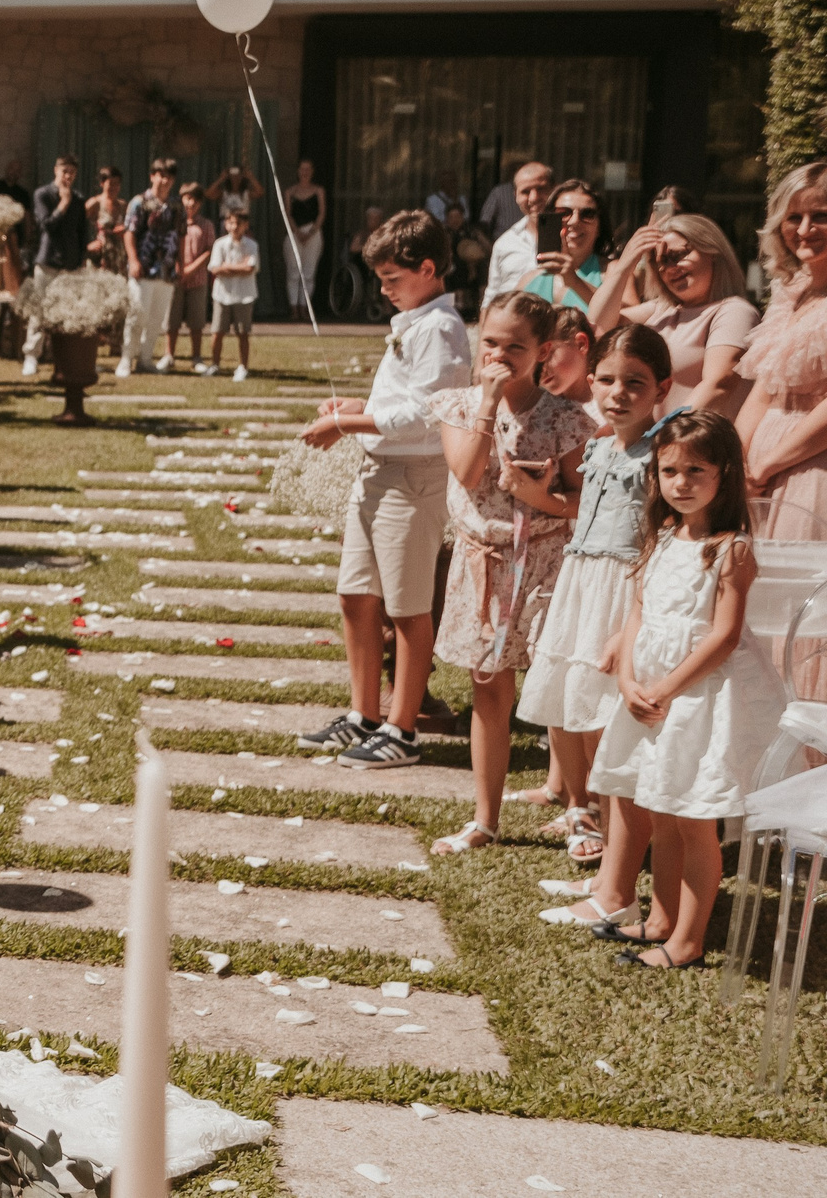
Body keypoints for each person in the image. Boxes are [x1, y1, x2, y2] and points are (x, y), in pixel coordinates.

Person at [584, 412, 789, 967]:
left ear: (724, 473)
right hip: (648, 695)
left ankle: (688, 943)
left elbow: (723, 636)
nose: (680, 482)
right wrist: (628, 679)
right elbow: (637, 618)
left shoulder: (730, 550)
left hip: (696, 700)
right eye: (669, 470)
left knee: (694, 818)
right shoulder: (661, 540)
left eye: (695, 469)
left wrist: (667, 689)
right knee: (661, 807)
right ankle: (660, 919)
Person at [296, 211, 473, 770]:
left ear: (428, 269)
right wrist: (354, 407)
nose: (383, 289)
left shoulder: (442, 329)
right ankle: (363, 714)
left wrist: (347, 425)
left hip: (413, 479)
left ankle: (403, 726)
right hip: (378, 476)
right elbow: (401, 400)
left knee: (407, 607)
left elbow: (430, 412)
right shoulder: (413, 322)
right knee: (355, 595)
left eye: (392, 279)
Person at [424, 292, 594, 856]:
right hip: (483, 565)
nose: (498, 355)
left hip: (546, 560)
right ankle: (485, 818)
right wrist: (487, 402)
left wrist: (537, 496)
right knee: (488, 689)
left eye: (514, 347)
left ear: (543, 351)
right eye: (490, 342)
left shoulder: (566, 418)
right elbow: (470, 470)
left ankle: (579, 808)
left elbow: (581, 503)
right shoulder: (457, 404)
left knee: (555, 686)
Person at [523, 325, 671, 902]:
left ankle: (621, 866)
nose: (618, 392)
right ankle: (599, 844)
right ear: (590, 382)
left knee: (614, 730)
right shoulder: (600, 447)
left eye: (635, 382)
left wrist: (627, 626)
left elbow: (656, 541)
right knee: (575, 710)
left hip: (623, 592)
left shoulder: (661, 454)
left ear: (660, 387)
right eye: (607, 380)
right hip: (581, 584)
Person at [588, 212, 758, 420]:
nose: (671, 268)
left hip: (694, 443)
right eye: (662, 261)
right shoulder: (660, 311)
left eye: (679, 255)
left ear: (712, 252)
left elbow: (719, 384)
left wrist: (664, 432)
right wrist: (625, 265)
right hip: (652, 445)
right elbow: (597, 325)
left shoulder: (734, 311)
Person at [735, 160, 827, 537]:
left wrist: (765, 467)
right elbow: (763, 391)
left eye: (820, 215)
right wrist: (735, 462)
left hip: (812, 469)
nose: (805, 230)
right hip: (756, 477)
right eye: (794, 218)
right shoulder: (788, 295)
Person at [22, 153, 90, 377]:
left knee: (66, 314)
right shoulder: (43, 194)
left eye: (72, 172)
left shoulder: (79, 200)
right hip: (47, 261)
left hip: (69, 264)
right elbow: (46, 226)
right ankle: (32, 356)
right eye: (64, 171)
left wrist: (81, 259)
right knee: (40, 311)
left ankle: (61, 358)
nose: (68, 176)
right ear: (56, 171)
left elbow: (82, 233)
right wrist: (63, 203)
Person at [118, 158, 182, 375]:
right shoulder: (139, 202)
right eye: (161, 175)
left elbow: (178, 236)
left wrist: (179, 263)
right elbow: (129, 233)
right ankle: (126, 359)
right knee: (137, 315)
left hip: (167, 271)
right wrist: (134, 260)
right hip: (144, 268)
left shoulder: (175, 205)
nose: (165, 181)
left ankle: (145, 360)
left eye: (169, 177)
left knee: (156, 319)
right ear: (152, 176)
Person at [523, 178, 605, 309]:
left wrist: (574, 281)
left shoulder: (614, 273)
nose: (574, 221)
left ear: (600, 226)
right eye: (564, 213)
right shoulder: (529, 280)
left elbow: (627, 321)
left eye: (587, 214)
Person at [484, 160, 555, 302]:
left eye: (540, 189)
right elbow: (491, 296)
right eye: (525, 192)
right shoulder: (505, 243)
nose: (534, 198)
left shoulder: (572, 237)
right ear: (515, 195)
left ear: (554, 189)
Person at [208, 209, 260, 381]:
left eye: (239, 223)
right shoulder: (219, 244)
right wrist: (239, 267)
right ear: (226, 224)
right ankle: (215, 365)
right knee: (217, 331)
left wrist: (227, 267)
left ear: (246, 226)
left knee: (243, 333)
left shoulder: (252, 246)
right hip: (222, 295)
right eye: (231, 222)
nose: (235, 227)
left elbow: (250, 269)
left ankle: (243, 367)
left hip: (244, 296)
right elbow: (215, 269)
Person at [169, 181, 215, 373]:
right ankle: (169, 355)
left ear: (200, 203)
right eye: (187, 199)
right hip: (176, 278)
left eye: (195, 201)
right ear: (181, 200)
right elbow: (169, 248)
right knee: (172, 320)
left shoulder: (206, 225)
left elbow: (209, 251)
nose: (191, 204)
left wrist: (191, 270)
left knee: (196, 322)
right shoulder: (173, 222)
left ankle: (196, 357)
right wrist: (179, 268)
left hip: (197, 280)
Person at [285, 157, 326, 314]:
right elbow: (288, 213)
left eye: (308, 169)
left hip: (313, 232)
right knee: (293, 271)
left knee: (309, 272)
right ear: (298, 171)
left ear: (312, 172)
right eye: (302, 169)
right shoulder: (290, 192)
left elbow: (322, 213)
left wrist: (311, 232)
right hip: (294, 232)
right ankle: (294, 307)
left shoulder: (318, 191)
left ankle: (305, 307)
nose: (305, 172)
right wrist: (297, 231)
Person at [540, 305, 597, 411]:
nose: (540, 369)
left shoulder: (611, 401)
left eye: (548, 355)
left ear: (581, 344)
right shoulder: (542, 414)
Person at [85, 166, 127, 272]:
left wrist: (124, 229)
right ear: (102, 183)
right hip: (100, 257)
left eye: (117, 183)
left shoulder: (123, 206)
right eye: (111, 183)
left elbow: (132, 228)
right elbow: (76, 225)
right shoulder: (95, 203)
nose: (114, 187)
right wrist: (87, 246)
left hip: (119, 257)